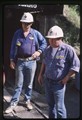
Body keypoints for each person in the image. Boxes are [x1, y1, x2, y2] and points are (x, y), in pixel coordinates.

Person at [5, 12, 47, 113]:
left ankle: (27, 100)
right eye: (24, 23)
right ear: (21, 23)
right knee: (18, 84)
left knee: (29, 84)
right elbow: (12, 47)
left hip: (32, 62)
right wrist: (11, 59)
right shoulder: (17, 33)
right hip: (20, 61)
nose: (26, 25)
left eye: (28, 23)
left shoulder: (35, 33)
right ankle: (13, 103)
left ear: (31, 23)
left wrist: (39, 51)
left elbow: (44, 42)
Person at [38, 25, 80, 118]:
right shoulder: (47, 50)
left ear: (60, 38)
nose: (51, 41)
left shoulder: (68, 50)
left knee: (60, 108)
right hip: (48, 82)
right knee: (50, 106)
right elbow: (44, 62)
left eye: (54, 39)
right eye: (50, 39)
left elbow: (76, 65)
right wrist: (40, 75)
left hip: (59, 84)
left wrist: (67, 77)